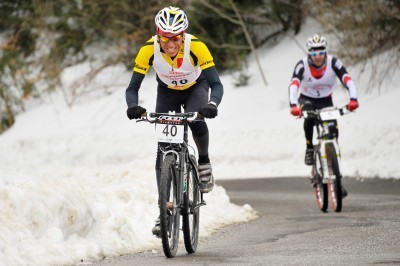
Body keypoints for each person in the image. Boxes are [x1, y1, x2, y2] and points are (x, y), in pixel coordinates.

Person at [125, 6, 224, 234]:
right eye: (165, 38)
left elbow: (216, 84)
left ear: (183, 35)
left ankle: (204, 161)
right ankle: (164, 209)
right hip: (167, 91)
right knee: (164, 148)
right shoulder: (148, 50)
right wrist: (133, 107)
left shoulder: (196, 46)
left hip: (196, 87)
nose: (171, 44)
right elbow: (133, 87)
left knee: (196, 117)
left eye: (176, 38)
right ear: (158, 35)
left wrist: (212, 104)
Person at [288, 34, 359, 196]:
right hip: (307, 99)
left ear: (325, 51)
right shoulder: (302, 65)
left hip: (326, 100)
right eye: (313, 53)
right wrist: (293, 105)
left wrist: (353, 99)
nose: (318, 56)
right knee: (309, 118)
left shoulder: (334, 62)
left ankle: (336, 178)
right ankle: (308, 147)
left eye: (321, 52)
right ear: (309, 53)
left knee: (333, 133)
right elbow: (294, 85)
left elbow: (348, 80)